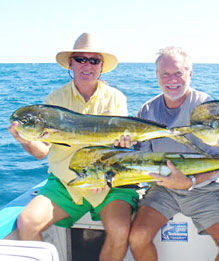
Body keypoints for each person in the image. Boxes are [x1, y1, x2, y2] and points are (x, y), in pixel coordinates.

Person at [8, 33, 139, 261]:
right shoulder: (53, 101)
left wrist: (107, 170)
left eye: (94, 60)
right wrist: (24, 139)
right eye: (80, 59)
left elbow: (118, 150)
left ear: (101, 66)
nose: (87, 65)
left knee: (119, 231)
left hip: (109, 182)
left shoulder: (116, 99)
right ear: (71, 63)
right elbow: (41, 152)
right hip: (66, 184)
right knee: (27, 223)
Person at [127, 47, 219, 261]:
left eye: (178, 73)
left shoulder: (207, 108)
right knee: (137, 237)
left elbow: (218, 162)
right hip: (162, 189)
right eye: (165, 74)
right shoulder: (147, 110)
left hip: (203, 190)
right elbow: (140, 159)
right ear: (157, 76)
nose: (172, 80)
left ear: (190, 74)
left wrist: (188, 182)